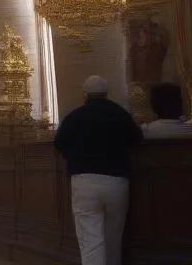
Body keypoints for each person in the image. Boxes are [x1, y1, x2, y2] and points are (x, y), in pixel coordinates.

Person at [53, 76, 143, 265]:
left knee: (90, 237)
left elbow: (59, 143)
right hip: (117, 181)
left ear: (85, 94)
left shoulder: (75, 116)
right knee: (113, 237)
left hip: (84, 180)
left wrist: (75, 157)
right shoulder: (120, 114)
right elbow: (136, 139)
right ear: (106, 93)